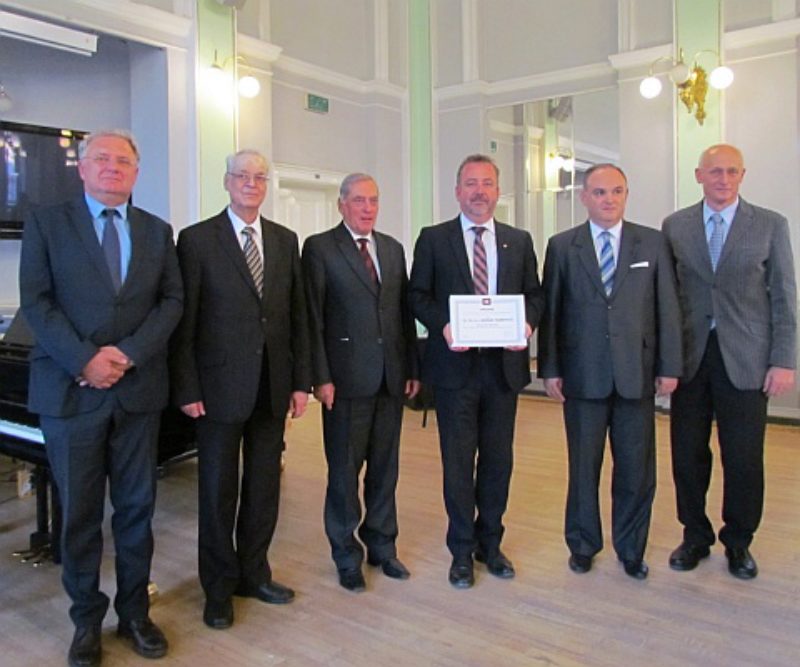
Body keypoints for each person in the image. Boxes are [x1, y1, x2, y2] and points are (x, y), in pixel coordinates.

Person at [19, 129, 183, 667]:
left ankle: (134, 614)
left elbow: (171, 301)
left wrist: (127, 355)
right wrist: (85, 359)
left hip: (137, 393)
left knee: (137, 511)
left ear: (137, 172)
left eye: (124, 161)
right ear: (83, 169)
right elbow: (37, 304)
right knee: (81, 516)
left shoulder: (158, 232)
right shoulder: (47, 223)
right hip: (71, 394)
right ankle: (86, 621)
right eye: (102, 160)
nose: (113, 168)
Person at [170, 149, 311, 629]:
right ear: (226, 182)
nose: (251, 183)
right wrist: (186, 385)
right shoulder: (196, 240)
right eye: (242, 176)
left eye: (259, 177)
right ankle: (217, 588)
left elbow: (296, 319)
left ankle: (254, 573)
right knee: (217, 492)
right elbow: (184, 323)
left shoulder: (284, 240)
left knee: (264, 488)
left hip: (272, 388)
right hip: (216, 389)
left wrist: (300, 383)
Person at [538, 163, 682, 580]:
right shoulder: (563, 246)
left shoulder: (652, 244)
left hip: (637, 375)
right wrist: (549, 368)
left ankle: (631, 548)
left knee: (636, 470)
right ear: (585, 197)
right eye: (600, 192)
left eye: (617, 191)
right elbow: (553, 313)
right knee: (583, 468)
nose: (609, 200)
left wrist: (669, 366)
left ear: (626, 194)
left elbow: (667, 310)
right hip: (582, 377)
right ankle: (582, 545)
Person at [409, 154, 543, 589]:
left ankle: (491, 542)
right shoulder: (433, 238)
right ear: (457, 191)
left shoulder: (519, 241)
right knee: (458, 463)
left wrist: (525, 325)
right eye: (470, 183)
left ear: (497, 191)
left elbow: (535, 296)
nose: (479, 191)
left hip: (502, 371)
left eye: (487, 183)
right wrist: (444, 326)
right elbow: (417, 295)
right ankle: (461, 550)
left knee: (498, 462)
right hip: (455, 371)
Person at [662, 144, 796, 580]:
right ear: (699, 175)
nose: (723, 179)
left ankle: (738, 542)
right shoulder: (676, 226)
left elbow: (784, 297)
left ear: (743, 175)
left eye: (731, 172)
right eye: (715, 171)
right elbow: (665, 299)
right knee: (687, 455)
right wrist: (664, 360)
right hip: (690, 360)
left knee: (743, 458)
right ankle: (695, 536)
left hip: (748, 360)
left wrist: (783, 360)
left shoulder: (771, 225)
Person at [302, 173, 420, 592]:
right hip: (345, 381)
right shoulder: (319, 248)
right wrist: (320, 376)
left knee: (385, 471)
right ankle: (345, 554)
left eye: (373, 200)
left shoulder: (391, 248)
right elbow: (312, 318)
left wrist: (412, 369)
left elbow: (402, 314)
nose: (367, 208)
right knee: (344, 474)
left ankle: (383, 547)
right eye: (358, 201)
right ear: (341, 205)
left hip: (390, 378)